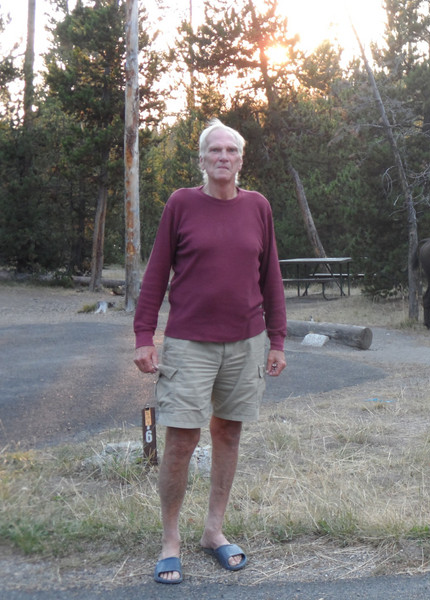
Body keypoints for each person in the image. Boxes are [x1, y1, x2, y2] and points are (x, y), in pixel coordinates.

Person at [133, 119, 287, 584]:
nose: (222, 157)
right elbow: (156, 273)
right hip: (189, 343)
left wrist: (277, 339)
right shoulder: (181, 204)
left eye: (230, 151)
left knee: (229, 434)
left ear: (241, 160)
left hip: (245, 341)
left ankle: (213, 531)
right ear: (201, 159)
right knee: (180, 441)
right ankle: (171, 540)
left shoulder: (258, 207)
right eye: (213, 150)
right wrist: (144, 336)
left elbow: (271, 277)